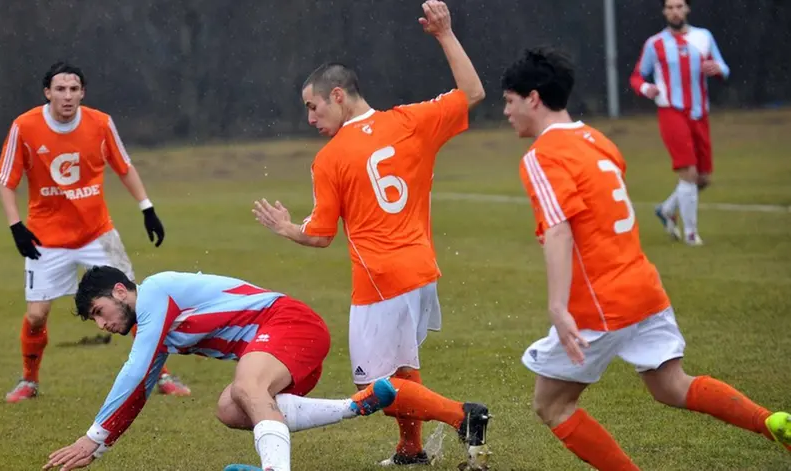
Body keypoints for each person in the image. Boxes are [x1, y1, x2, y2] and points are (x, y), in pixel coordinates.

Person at [502, 46, 790, 470]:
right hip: (642, 286)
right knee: (671, 385)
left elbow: (560, 229)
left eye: (508, 101)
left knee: (552, 406)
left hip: (601, 301)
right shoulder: (597, 140)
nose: (506, 112)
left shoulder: (542, 157)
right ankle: (772, 421)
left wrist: (558, 307)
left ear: (532, 97)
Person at [252, 1, 490, 467]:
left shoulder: (331, 158)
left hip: (379, 280)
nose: (310, 119)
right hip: (422, 272)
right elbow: (474, 91)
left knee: (375, 387)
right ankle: (410, 448)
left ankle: (462, 415)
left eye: (312, 106)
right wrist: (444, 34)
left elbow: (320, 236)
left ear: (337, 95)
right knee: (401, 364)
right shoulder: (411, 120)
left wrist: (286, 228)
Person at [42, 266, 481, 471]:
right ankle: (357, 406)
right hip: (281, 344)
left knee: (247, 386)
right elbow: (137, 390)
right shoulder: (152, 333)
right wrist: (99, 448)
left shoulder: (155, 293)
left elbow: (134, 373)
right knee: (231, 409)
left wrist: (92, 436)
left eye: (101, 311)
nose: (103, 324)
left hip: (289, 323)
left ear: (121, 290)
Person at [0, 61, 191, 403]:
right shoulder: (24, 127)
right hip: (46, 239)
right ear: (47, 93)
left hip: (97, 234)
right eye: (60, 89)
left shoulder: (100, 123)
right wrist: (16, 228)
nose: (67, 96)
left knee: (136, 302)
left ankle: (162, 375)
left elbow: (124, 166)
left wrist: (147, 208)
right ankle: (29, 381)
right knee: (36, 315)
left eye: (74, 89)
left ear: (82, 92)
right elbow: (5, 181)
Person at [629, 0, 730, 246]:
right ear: (664, 11)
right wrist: (646, 88)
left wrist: (717, 68)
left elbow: (724, 68)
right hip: (671, 111)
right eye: (670, 7)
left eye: (679, 6)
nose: (675, 11)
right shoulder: (655, 43)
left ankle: (665, 210)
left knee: (702, 179)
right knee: (689, 173)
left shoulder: (704, 37)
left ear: (687, 9)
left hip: (700, 114)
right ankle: (692, 235)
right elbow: (636, 76)